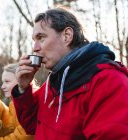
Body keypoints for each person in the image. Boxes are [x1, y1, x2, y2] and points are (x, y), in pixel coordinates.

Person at [11, 6, 128, 140]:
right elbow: (33, 126)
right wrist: (23, 89)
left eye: (41, 38)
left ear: (67, 36)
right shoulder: (55, 80)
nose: (35, 48)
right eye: (34, 40)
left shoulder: (109, 81)